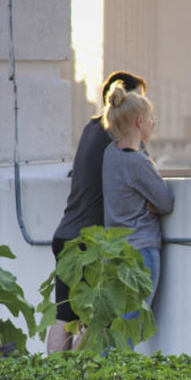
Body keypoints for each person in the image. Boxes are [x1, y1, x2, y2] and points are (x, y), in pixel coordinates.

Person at [46, 71, 148, 353]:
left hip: (65, 234)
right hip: (89, 241)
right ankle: (77, 379)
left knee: (64, 317)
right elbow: (144, 175)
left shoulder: (91, 127)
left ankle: (55, 379)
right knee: (97, 319)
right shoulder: (120, 133)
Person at [101, 81, 174, 331]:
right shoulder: (138, 164)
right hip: (141, 253)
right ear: (140, 122)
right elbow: (165, 202)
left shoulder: (110, 154)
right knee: (129, 333)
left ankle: (96, 370)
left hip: (115, 254)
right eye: (150, 118)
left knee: (113, 331)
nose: (154, 122)